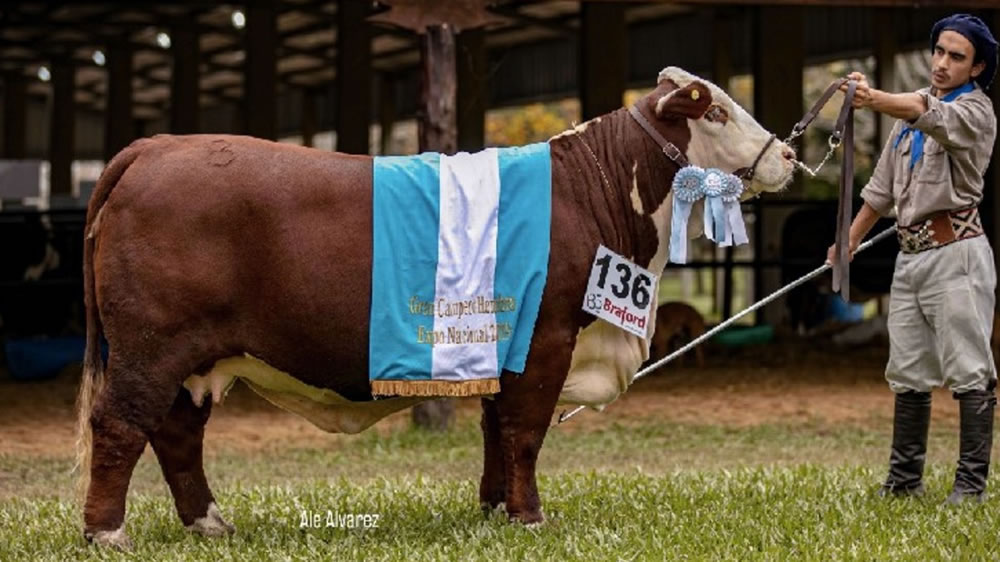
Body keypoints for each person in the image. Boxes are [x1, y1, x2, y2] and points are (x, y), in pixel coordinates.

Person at [829, 13, 999, 504]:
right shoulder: (905, 128)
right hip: (911, 256)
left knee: (969, 368)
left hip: (957, 254)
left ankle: (970, 486)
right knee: (906, 368)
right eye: (939, 51)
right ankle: (904, 481)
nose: (942, 63)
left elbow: (929, 113)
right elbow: (881, 191)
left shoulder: (974, 112)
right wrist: (850, 239)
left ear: (976, 67)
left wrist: (872, 98)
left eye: (956, 57)